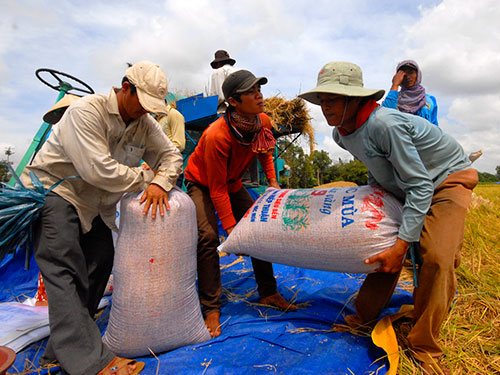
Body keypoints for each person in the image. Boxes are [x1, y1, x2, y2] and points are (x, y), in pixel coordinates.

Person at [299, 61, 478, 375]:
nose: (325, 107)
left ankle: (425, 345)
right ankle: (362, 317)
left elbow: (421, 186)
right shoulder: (341, 134)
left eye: (333, 99)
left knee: (435, 256)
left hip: (446, 178)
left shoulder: (385, 124)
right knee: (381, 241)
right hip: (406, 184)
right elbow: (377, 164)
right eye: (322, 100)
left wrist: (402, 244)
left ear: (354, 100)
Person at [21, 61, 183, 375]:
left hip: (97, 204)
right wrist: (144, 177)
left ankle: (58, 353)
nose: (145, 112)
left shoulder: (144, 123)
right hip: (57, 193)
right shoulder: (86, 111)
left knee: (99, 263)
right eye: (142, 103)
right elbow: (98, 170)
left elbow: (171, 155)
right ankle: (92, 363)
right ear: (126, 88)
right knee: (65, 269)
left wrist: (162, 182)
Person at [184, 69, 297, 338]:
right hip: (202, 182)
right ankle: (211, 307)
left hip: (232, 182)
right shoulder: (216, 136)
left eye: (259, 89)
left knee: (258, 228)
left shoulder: (263, 121)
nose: (259, 95)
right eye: (251, 92)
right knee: (208, 237)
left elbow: (265, 152)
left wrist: (272, 181)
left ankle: (268, 292)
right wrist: (233, 230)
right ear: (233, 102)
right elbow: (216, 188)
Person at [381, 59, 438, 125]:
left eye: (411, 72)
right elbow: (385, 116)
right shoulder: (394, 98)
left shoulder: (430, 100)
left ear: (418, 74)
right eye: (403, 75)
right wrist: (395, 85)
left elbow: (434, 126)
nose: (408, 77)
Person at [156, 103, 186, 187]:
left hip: (171, 171)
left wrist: (157, 155)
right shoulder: (158, 118)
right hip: (158, 170)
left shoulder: (174, 115)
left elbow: (179, 144)